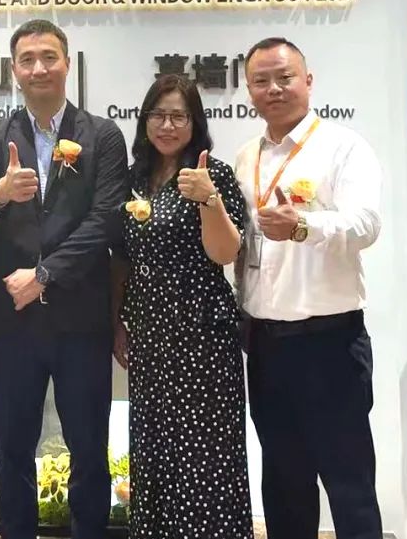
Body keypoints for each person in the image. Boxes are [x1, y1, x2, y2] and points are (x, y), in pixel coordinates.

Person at [0, 19, 127, 539]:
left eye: (48, 57)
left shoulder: (102, 135)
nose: (39, 68)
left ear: (67, 63)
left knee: (88, 447)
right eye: (28, 59)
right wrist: (1, 192)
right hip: (13, 319)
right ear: (14, 70)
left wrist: (44, 275)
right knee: (13, 447)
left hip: (80, 317)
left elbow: (106, 219)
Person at [235, 37, 382, 539]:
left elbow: (366, 224)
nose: (274, 89)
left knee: (349, 485)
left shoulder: (343, 146)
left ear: (308, 80)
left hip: (329, 343)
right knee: (283, 485)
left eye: (285, 77)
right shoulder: (246, 157)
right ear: (249, 90)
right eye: (261, 81)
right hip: (265, 344)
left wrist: (302, 226)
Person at [110, 75, 251, 539]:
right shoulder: (133, 180)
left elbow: (225, 253)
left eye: (178, 116)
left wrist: (208, 198)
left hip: (202, 338)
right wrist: (118, 323)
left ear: (195, 123)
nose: (167, 125)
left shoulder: (214, 175)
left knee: (206, 459)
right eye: (159, 115)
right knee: (155, 454)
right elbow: (122, 259)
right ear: (145, 120)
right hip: (150, 338)